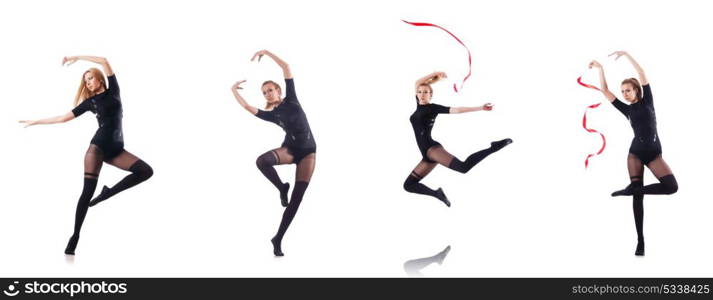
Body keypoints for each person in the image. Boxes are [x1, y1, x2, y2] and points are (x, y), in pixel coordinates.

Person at [20, 56, 153, 255]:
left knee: (145, 171)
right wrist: (36, 121)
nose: (88, 82)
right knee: (86, 193)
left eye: (90, 78)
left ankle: (107, 194)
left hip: (116, 149)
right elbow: (63, 118)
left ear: (100, 79)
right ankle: (75, 236)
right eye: (86, 80)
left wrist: (77, 57)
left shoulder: (113, 90)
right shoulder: (91, 102)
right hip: (97, 149)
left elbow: (104, 60)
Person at [589, 51, 678, 256]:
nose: (625, 94)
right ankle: (640, 241)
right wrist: (601, 69)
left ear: (637, 90)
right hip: (635, 154)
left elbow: (641, 71)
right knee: (638, 199)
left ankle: (632, 190)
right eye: (623, 91)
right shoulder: (626, 110)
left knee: (671, 187)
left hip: (655, 154)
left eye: (628, 90)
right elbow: (604, 89)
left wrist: (626, 54)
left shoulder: (648, 102)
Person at [230, 50, 316, 256]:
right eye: (265, 92)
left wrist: (266, 52)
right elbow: (247, 107)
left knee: (297, 200)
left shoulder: (292, 100)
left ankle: (278, 238)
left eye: (270, 90)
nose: (268, 94)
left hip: (308, 153)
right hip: (290, 149)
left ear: (278, 90)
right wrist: (233, 90)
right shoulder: (272, 114)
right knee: (262, 161)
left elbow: (286, 67)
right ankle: (281, 187)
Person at [403, 71, 512, 207]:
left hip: (432, 149)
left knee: (463, 167)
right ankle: (437, 194)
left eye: (425, 92)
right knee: (408, 185)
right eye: (419, 92)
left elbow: (458, 110)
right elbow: (418, 82)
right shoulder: (419, 105)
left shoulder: (432, 108)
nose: (421, 94)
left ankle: (493, 147)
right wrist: (435, 76)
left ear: (431, 95)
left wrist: (480, 108)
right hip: (426, 155)